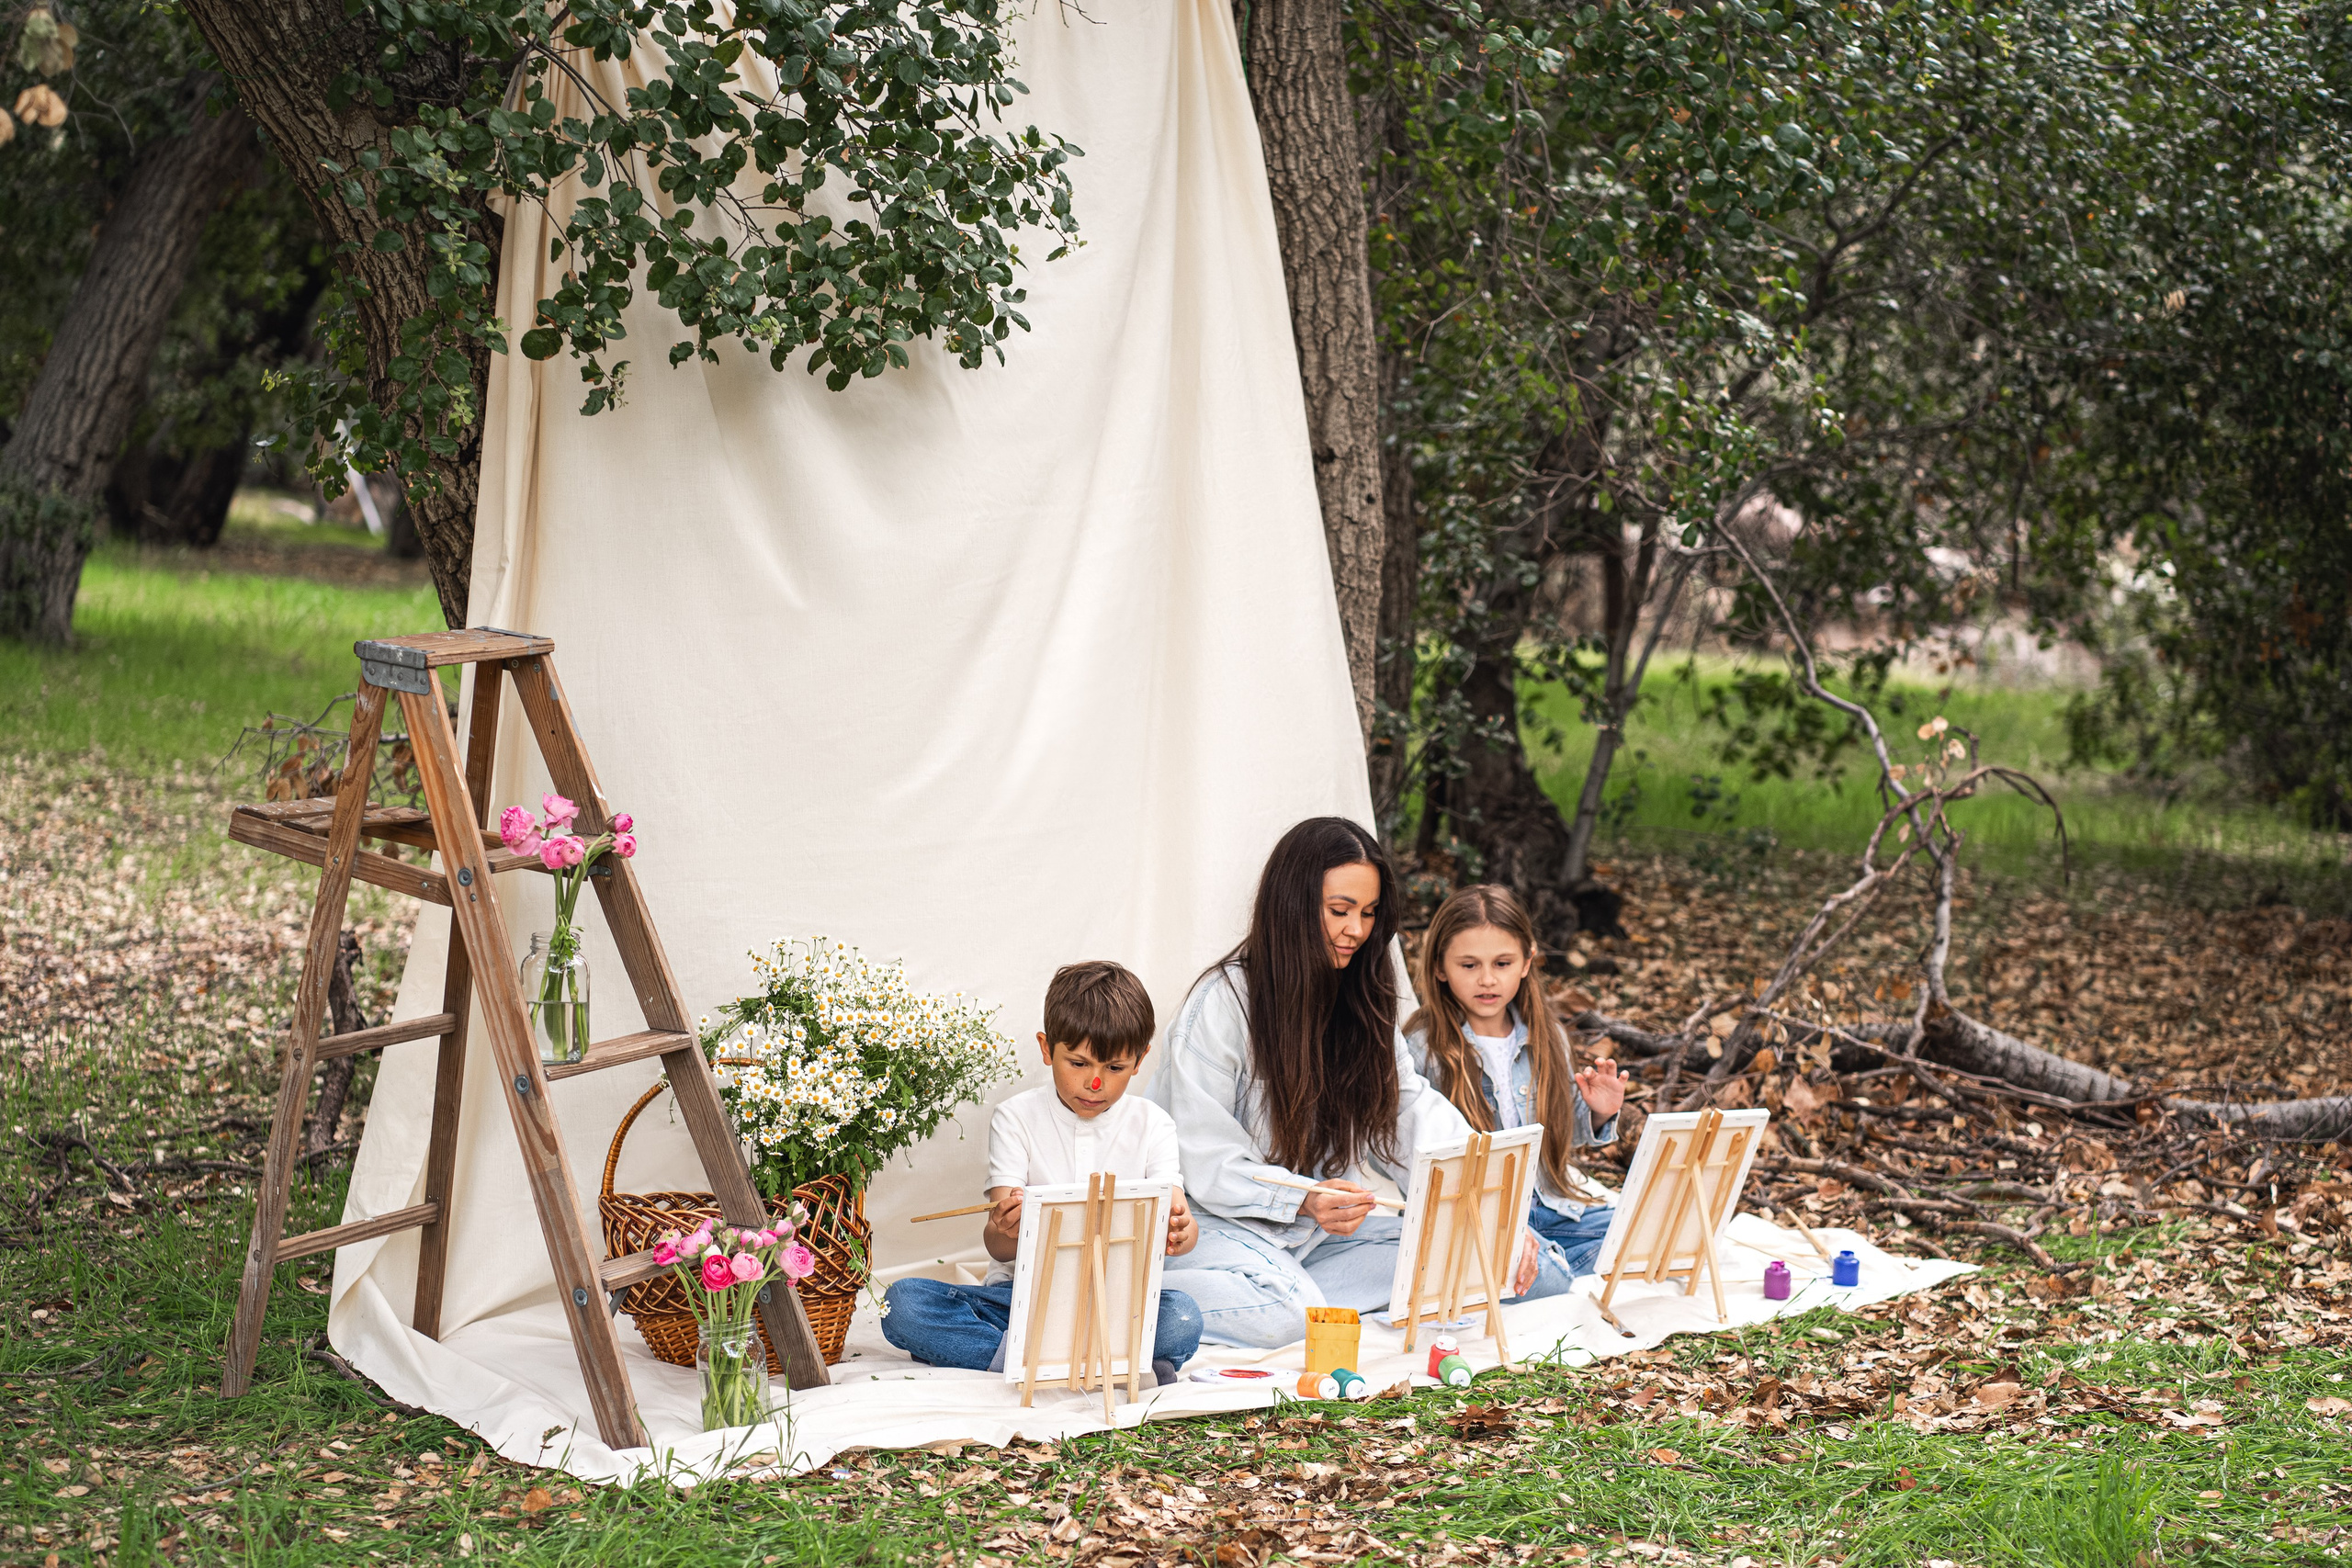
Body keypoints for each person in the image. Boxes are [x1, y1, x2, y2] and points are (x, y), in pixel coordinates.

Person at [1151, 818, 1577, 1348]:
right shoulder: (1221, 1003)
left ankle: (1289, 1294)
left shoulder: (1361, 1000)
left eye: (1369, 913)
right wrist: (1304, 1198)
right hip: (1216, 1228)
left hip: (1316, 1240)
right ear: (1293, 904)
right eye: (1339, 911)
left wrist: (1491, 1212)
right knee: (1288, 1315)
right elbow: (1205, 1159)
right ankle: (1164, 1298)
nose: (1356, 929)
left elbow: (1408, 1108)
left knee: (1525, 1270)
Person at [880, 961, 1204, 1380]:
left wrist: (1182, 1231)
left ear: (1140, 1060)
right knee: (903, 1303)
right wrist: (1007, 1226)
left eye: (1115, 1068)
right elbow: (999, 1247)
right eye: (1079, 1063)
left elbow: (1179, 1227)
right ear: (1047, 1048)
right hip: (1021, 1300)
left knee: (1182, 1317)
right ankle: (1096, 1363)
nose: (1094, 1084)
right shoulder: (1015, 1118)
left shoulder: (1154, 1124)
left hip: (1116, 1303)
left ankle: (1014, 1357)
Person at [1408, 884, 1627, 1277]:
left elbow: (1556, 1131)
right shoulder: (1425, 1047)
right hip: (1482, 1217)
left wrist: (1596, 1114)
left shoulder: (1547, 1037)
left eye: (1502, 964)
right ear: (1440, 967)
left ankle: (1557, 1260)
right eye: (1469, 965)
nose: (1487, 980)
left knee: (1635, 1229)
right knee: (1539, 1269)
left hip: (1550, 1207)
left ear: (1527, 962)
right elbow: (1413, 1143)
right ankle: (1555, 1266)